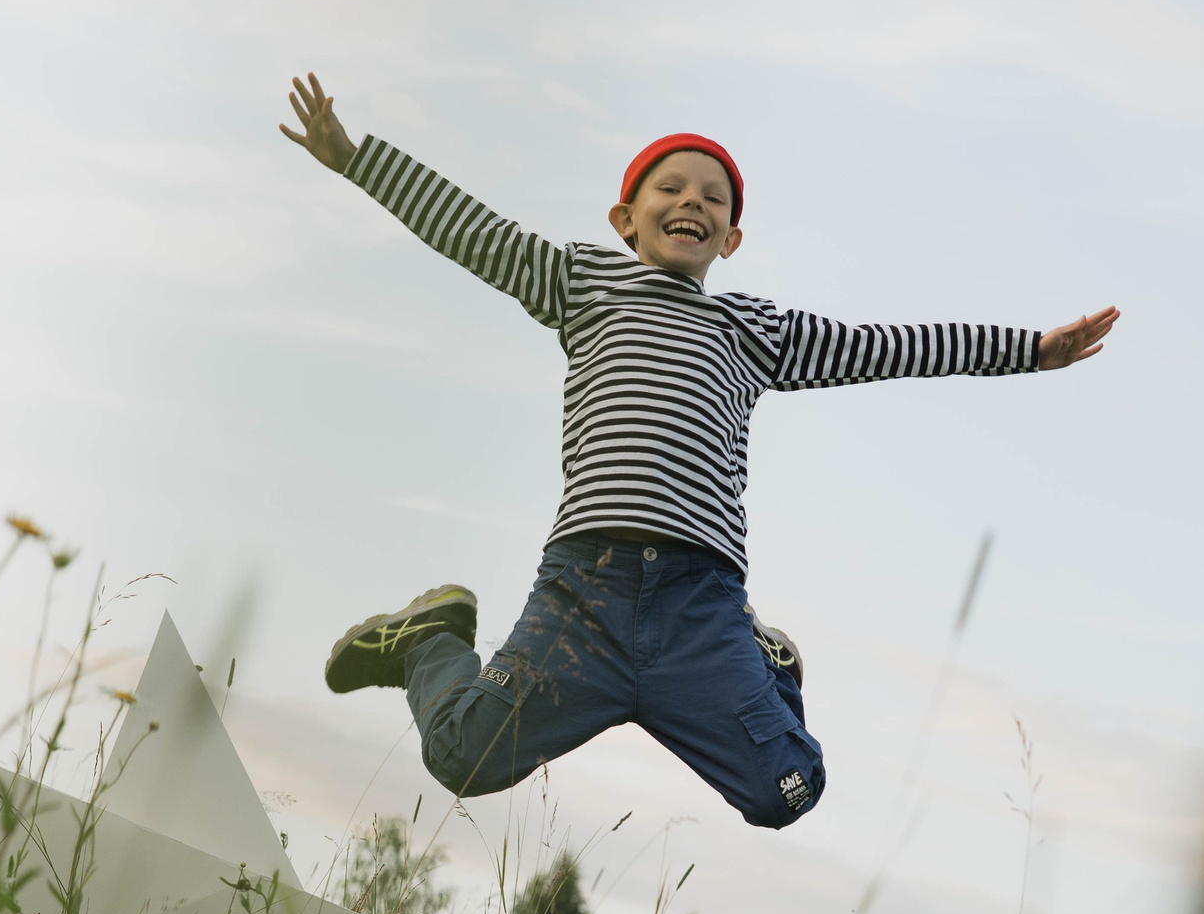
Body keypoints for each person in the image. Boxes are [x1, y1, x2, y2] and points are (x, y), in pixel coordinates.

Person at [281, 73, 1118, 829]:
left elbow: (885, 345)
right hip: (584, 594)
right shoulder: (582, 281)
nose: (693, 201)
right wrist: (355, 159)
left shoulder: (752, 329)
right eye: (672, 187)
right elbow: (477, 233)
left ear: (731, 238)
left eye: (714, 198)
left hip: (701, 610)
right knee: (462, 755)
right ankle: (429, 638)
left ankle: (769, 662)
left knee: (788, 789)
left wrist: (1026, 350)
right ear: (625, 219)